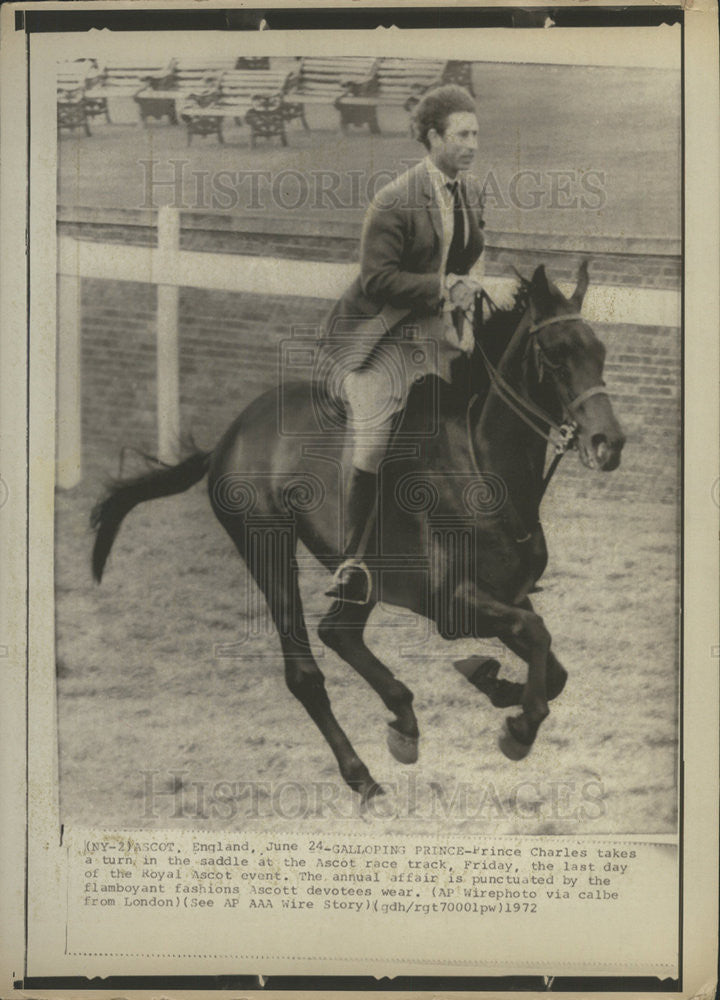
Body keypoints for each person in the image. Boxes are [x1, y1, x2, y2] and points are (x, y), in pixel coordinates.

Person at [322, 84, 487, 603]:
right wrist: (442, 289)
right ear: (433, 137)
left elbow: (462, 258)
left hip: (431, 333)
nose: (472, 144)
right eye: (462, 135)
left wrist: (467, 291)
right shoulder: (394, 199)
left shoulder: (469, 192)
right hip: (377, 337)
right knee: (374, 442)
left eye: (476, 134)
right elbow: (376, 280)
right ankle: (353, 563)